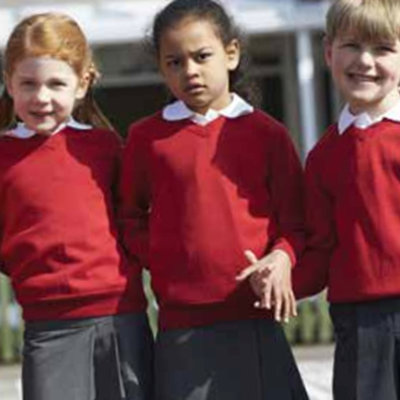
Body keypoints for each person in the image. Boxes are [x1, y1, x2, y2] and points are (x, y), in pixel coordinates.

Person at [119, 1, 308, 399]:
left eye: (202, 56)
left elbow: (296, 222)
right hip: (181, 327)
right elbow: (128, 216)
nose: (190, 71)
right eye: (174, 62)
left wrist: (282, 257)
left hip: (255, 321)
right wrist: (163, 254)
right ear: (161, 67)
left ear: (231, 53)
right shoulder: (145, 138)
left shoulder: (268, 134)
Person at [0, 12, 153, 400]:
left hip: (122, 317)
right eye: (28, 84)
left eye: (56, 83)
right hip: (48, 325)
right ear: (8, 83)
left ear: (82, 84)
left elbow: (133, 218)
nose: (42, 97)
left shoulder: (106, 149)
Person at [289, 0, 400, 399]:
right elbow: (320, 252)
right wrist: (279, 282)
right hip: (359, 327)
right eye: (352, 45)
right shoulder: (323, 157)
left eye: (383, 48)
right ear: (328, 50)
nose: (365, 60)